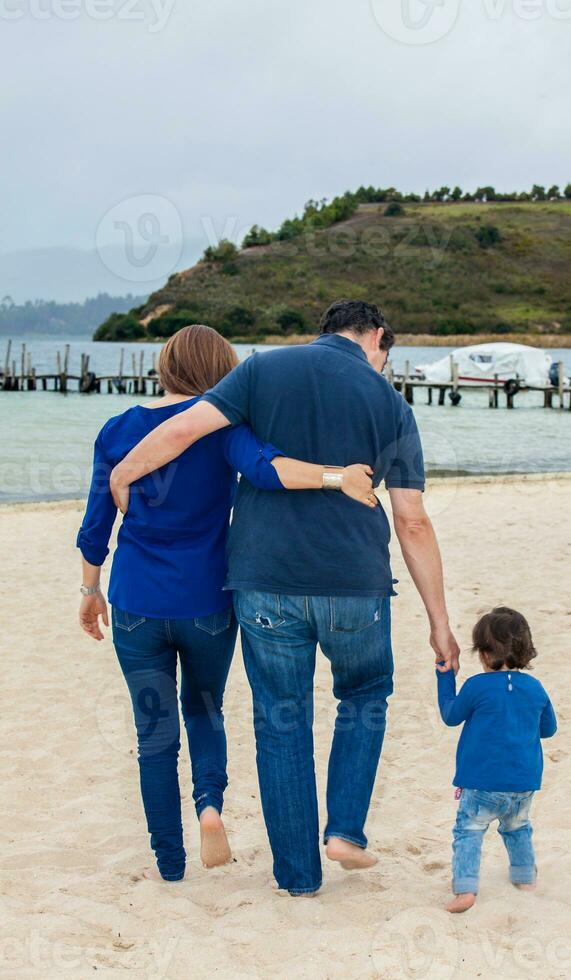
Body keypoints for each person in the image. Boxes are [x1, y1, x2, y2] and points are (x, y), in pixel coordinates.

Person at [108, 299, 460, 897]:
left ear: (323, 331)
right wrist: (439, 622)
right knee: (366, 694)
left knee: (281, 721)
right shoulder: (392, 404)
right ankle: (345, 829)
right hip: (356, 585)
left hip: (265, 581)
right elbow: (413, 520)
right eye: (385, 354)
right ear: (376, 337)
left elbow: (186, 427)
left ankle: (298, 878)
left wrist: (124, 472)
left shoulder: (263, 370)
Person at [77, 324, 374, 883]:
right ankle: (209, 806)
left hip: (137, 601)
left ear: (165, 365)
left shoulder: (118, 430)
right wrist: (336, 477)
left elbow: (97, 526)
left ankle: (170, 864)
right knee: (204, 710)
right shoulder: (224, 428)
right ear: (223, 370)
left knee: (155, 733)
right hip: (208, 603)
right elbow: (270, 468)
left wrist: (90, 590)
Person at [436, 606, 557, 913]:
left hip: (481, 782)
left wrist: (445, 678)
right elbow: (548, 729)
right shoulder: (535, 687)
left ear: (485, 653)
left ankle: (465, 890)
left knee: (469, 832)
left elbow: (451, 716)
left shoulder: (477, 685)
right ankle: (525, 878)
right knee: (518, 828)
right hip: (523, 782)